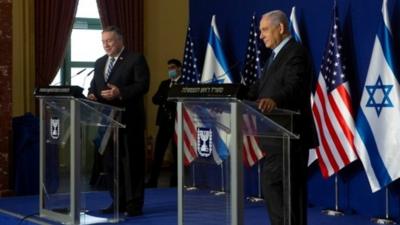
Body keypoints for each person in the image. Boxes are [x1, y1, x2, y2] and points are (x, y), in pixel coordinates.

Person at [247, 10, 318, 225]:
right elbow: (258, 89)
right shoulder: (275, 57)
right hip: (275, 136)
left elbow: (295, 86)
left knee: (284, 194)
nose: (260, 35)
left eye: (265, 30)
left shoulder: (295, 52)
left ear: (280, 28)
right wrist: (227, 95)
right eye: (260, 31)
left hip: (290, 136)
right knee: (279, 193)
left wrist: (274, 100)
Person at [87, 25, 150, 216]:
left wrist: (119, 92)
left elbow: (143, 85)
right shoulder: (99, 63)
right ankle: (117, 202)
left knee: (131, 163)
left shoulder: (135, 59)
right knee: (110, 164)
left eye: (110, 41)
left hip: (129, 120)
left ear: (120, 40)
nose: (106, 45)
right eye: (103, 41)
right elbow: (95, 86)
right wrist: (92, 94)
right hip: (107, 122)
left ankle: (133, 204)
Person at [146, 59, 181, 188]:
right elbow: (155, 99)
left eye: (172, 67)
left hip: (177, 123)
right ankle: (152, 181)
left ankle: (175, 181)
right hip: (164, 123)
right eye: (168, 68)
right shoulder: (164, 84)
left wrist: (165, 100)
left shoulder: (183, 84)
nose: (170, 70)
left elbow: (176, 102)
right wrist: (166, 99)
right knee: (158, 152)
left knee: (176, 153)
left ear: (179, 68)